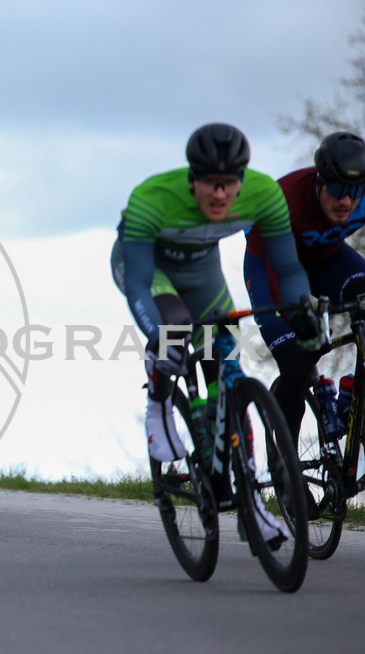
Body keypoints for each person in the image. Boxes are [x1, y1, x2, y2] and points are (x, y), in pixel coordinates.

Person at [110, 122, 317, 547]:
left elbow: (289, 269)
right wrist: (159, 339)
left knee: (227, 366)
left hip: (204, 276)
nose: (220, 194)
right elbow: (137, 285)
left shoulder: (263, 194)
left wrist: (302, 313)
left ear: (243, 179)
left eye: (229, 184)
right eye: (210, 183)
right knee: (175, 326)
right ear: (193, 179)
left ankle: (250, 504)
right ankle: (159, 394)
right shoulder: (153, 198)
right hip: (150, 272)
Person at [244, 131, 365, 450]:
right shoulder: (284, 200)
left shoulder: (356, 198)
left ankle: (354, 399)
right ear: (319, 183)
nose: (345, 202)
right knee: (296, 362)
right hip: (270, 267)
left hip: (328, 260)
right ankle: (287, 471)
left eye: (354, 192)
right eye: (337, 190)